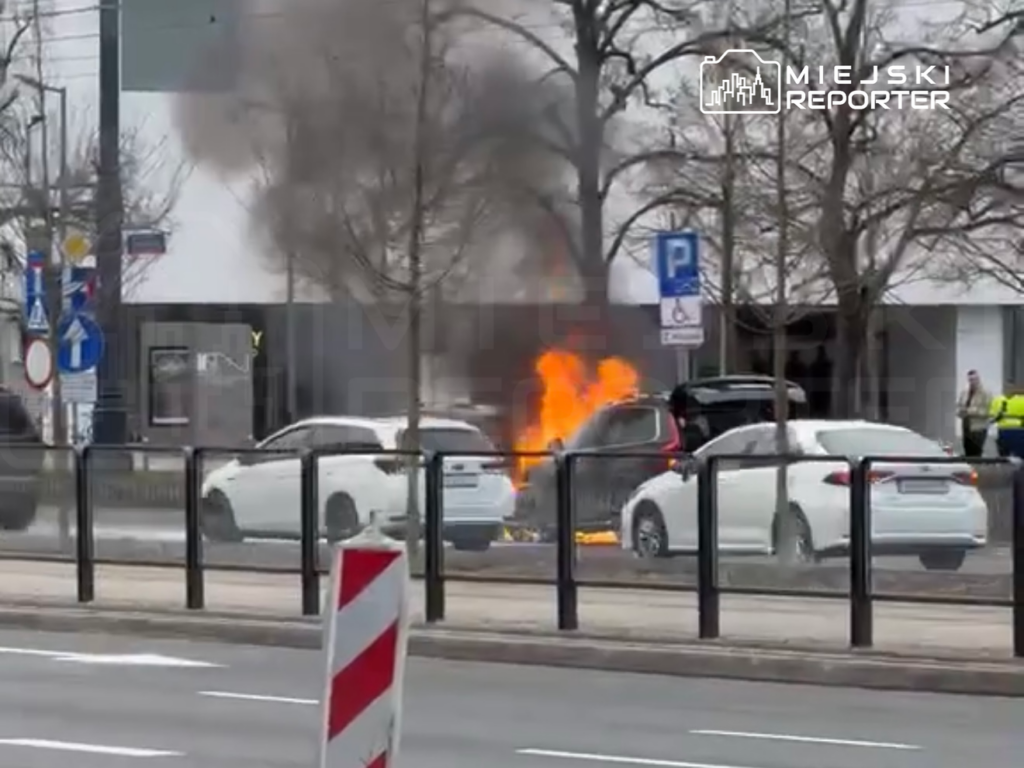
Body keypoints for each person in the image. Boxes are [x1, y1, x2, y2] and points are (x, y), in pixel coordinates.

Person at [957, 370, 992, 458]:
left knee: (976, 452)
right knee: (967, 450)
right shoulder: (965, 391)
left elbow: (987, 411)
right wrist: (960, 412)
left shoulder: (985, 392)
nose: (972, 382)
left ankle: (976, 470)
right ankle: (970, 469)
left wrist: (969, 411)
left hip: (978, 427)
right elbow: (959, 405)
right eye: (970, 380)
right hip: (966, 425)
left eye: (974, 379)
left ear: (978, 379)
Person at [990, 385, 1024, 458]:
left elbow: (992, 418)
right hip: (1020, 431)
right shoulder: (1022, 400)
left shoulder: (997, 400)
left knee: (1004, 457)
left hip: (1003, 431)